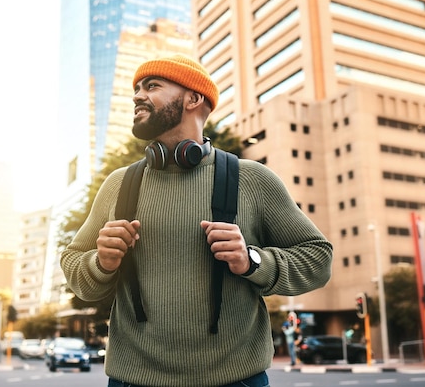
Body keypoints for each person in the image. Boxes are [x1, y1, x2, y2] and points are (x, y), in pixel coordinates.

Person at [61, 54, 333, 387]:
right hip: (133, 382)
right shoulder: (118, 184)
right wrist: (101, 262)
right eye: (136, 88)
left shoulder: (253, 179)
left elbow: (319, 257)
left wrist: (253, 260)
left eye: (152, 85)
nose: (137, 95)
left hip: (237, 381)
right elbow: (74, 266)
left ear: (193, 98)